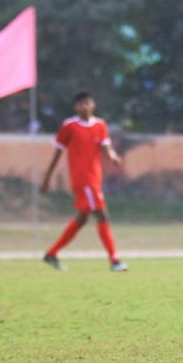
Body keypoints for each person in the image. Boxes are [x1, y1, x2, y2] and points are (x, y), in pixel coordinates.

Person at [39, 91, 128, 272]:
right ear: (76, 107)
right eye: (81, 104)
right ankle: (114, 260)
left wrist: (113, 157)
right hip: (83, 179)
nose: (85, 107)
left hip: (95, 178)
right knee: (102, 214)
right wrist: (47, 179)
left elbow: (106, 147)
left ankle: (52, 253)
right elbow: (57, 154)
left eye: (88, 103)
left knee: (81, 219)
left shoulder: (100, 125)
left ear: (93, 105)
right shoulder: (69, 126)